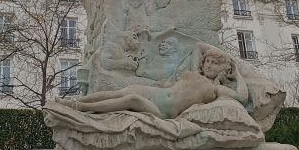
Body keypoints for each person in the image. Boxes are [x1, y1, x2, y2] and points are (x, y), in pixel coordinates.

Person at [63, 47, 245, 119]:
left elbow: (242, 97)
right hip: (155, 93)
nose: (209, 64)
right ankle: (74, 103)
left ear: (222, 69)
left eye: (214, 63)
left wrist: (237, 72)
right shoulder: (194, 72)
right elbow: (198, 46)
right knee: (123, 92)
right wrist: (215, 54)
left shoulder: (216, 88)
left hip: (162, 111)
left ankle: (80, 108)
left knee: (132, 99)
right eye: (207, 61)